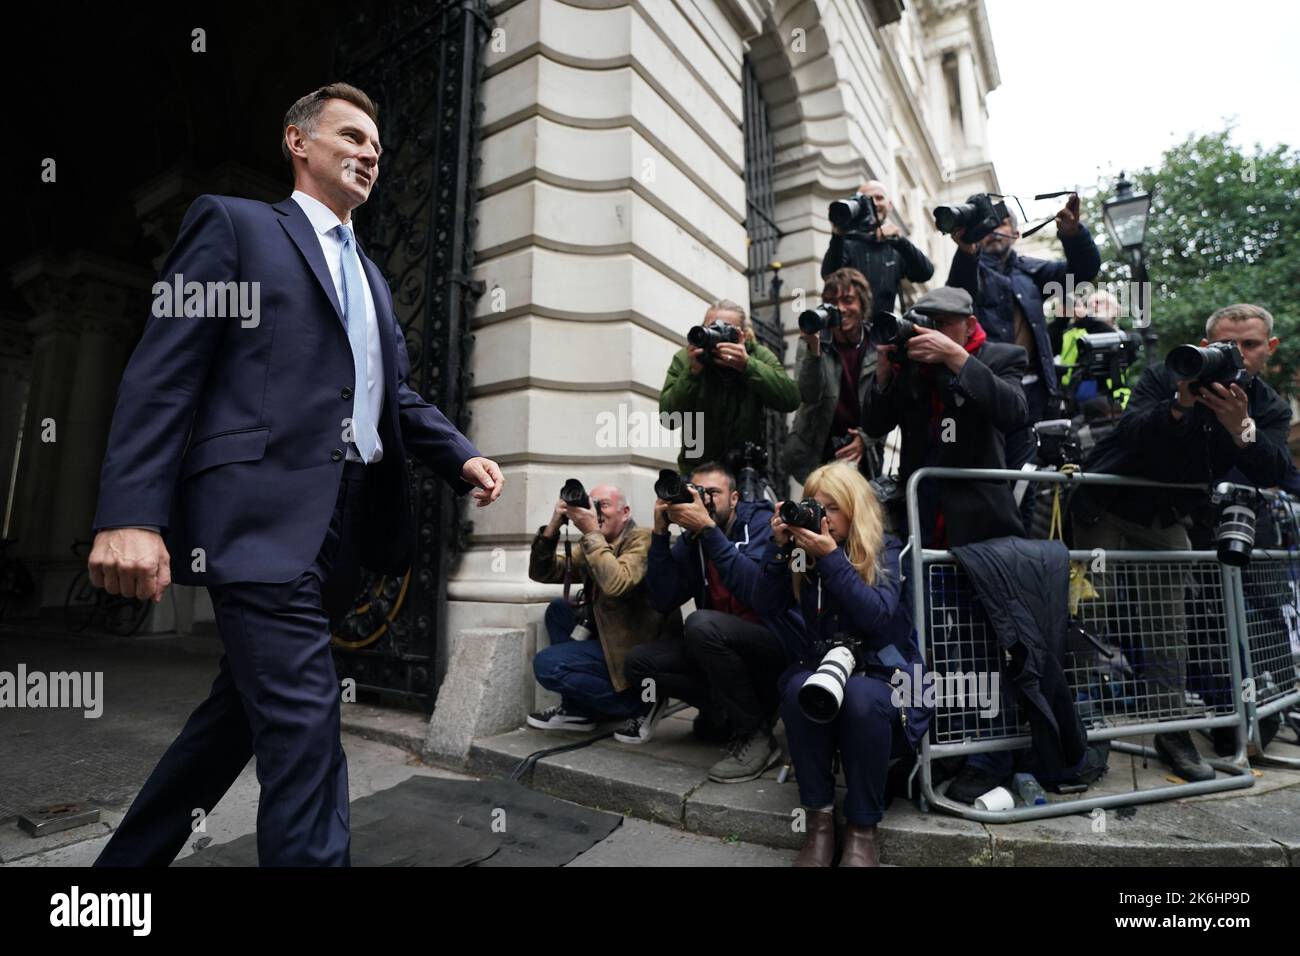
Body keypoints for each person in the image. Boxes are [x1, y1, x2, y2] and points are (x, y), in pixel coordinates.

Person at [88, 83, 504, 867]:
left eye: (376, 146)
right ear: (298, 142)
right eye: (350, 136)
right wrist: (130, 513)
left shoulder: (375, 280)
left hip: (344, 529)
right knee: (307, 727)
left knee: (238, 721)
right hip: (257, 520)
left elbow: (391, 395)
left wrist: (458, 452)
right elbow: (164, 372)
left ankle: (115, 881)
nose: (369, 153)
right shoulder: (233, 225)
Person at [1071, 303, 1291, 782]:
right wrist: (1179, 405)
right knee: (1088, 613)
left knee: (1168, 625)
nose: (1237, 354)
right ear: (1206, 344)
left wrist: (1241, 429)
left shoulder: (1268, 405)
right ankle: (1069, 727)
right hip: (1106, 504)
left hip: (1167, 517)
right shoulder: (1168, 375)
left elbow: (1277, 471)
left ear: (1267, 349)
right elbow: (1127, 431)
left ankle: (1172, 732)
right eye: (1225, 345)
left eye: (1249, 345)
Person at [750, 463, 930, 867]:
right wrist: (779, 549)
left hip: (890, 680)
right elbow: (766, 606)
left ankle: (862, 829)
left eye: (833, 508)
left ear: (855, 509)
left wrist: (831, 558)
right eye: (815, 506)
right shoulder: (801, 554)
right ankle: (819, 825)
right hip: (825, 672)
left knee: (861, 698)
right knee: (798, 691)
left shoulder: (884, 550)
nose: (822, 517)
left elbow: (877, 619)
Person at [627, 462, 803, 782]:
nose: (705, 500)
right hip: (723, 654)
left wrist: (708, 531)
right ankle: (727, 712)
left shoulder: (762, 525)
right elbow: (663, 598)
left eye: (714, 493)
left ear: (734, 499)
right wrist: (660, 532)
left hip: (773, 648)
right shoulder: (692, 540)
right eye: (698, 493)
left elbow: (756, 592)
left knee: (701, 624)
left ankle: (757, 736)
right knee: (641, 662)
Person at [861, 286, 1028, 547]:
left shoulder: (1001, 357)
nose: (932, 332)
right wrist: (883, 375)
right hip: (919, 515)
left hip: (978, 520)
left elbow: (1014, 412)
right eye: (927, 323)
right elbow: (874, 425)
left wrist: (955, 357)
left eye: (942, 324)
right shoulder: (913, 365)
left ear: (970, 326)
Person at [946, 193, 1101, 469]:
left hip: (1036, 394)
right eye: (986, 225)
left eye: (1002, 224)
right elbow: (958, 295)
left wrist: (1073, 234)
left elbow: (1083, 272)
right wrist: (966, 251)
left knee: (1027, 480)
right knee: (992, 475)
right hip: (988, 391)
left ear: (1016, 232)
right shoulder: (969, 268)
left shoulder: (1032, 271)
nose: (994, 231)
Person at [526, 484, 678, 731]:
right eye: (592, 504)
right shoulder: (596, 542)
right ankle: (578, 711)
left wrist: (591, 533)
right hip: (609, 636)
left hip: (639, 648)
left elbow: (617, 583)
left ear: (625, 512)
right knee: (558, 611)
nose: (596, 511)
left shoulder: (643, 539)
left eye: (603, 505)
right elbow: (542, 573)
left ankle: (639, 703)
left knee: (548, 666)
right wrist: (553, 526)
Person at [659, 300, 800, 472]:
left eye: (725, 330)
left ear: (743, 335)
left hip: (744, 469)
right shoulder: (686, 358)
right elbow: (668, 419)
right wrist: (692, 372)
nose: (716, 335)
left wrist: (747, 366)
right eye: (710, 328)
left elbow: (791, 400)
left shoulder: (757, 355)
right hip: (698, 470)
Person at [782, 268, 882, 484]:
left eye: (848, 300)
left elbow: (889, 403)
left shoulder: (877, 344)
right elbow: (808, 394)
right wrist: (814, 348)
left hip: (861, 450)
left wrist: (867, 438)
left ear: (862, 303)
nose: (841, 309)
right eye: (832, 302)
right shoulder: (815, 340)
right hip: (818, 450)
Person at [820, 179, 934, 312]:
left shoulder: (895, 246)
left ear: (890, 204)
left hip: (883, 330)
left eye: (879, 198)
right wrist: (837, 234)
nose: (874, 203)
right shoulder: (847, 241)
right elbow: (829, 276)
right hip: (851, 326)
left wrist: (900, 241)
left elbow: (925, 273)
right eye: (867, 200)